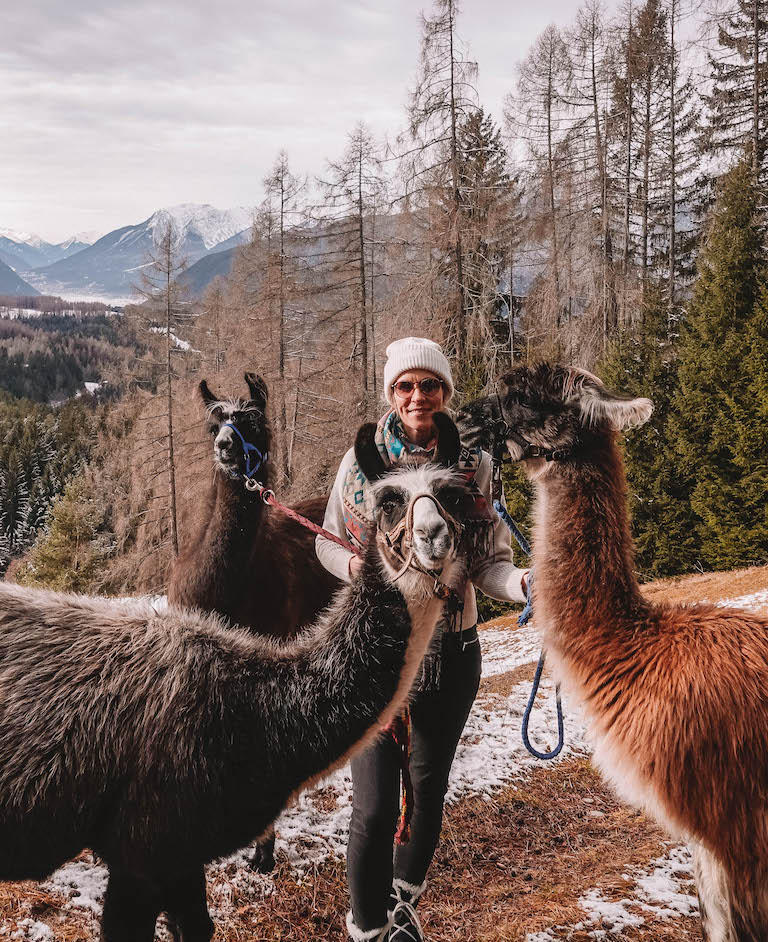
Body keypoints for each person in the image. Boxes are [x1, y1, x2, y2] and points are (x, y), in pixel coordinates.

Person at [316, 337, 529, 942]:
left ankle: (403, 908)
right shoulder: (360, 465)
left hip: (451, 649)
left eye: (430, 385)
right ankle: (366, 926)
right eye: (406, 386)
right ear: (392, 393)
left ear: (444, 393)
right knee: (376, 805)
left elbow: (489, 558)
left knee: (428, 791)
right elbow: (327, 541)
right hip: (377, 652)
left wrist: (523, 584)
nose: (418, 397)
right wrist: (363, 571)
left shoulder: (474, 465)